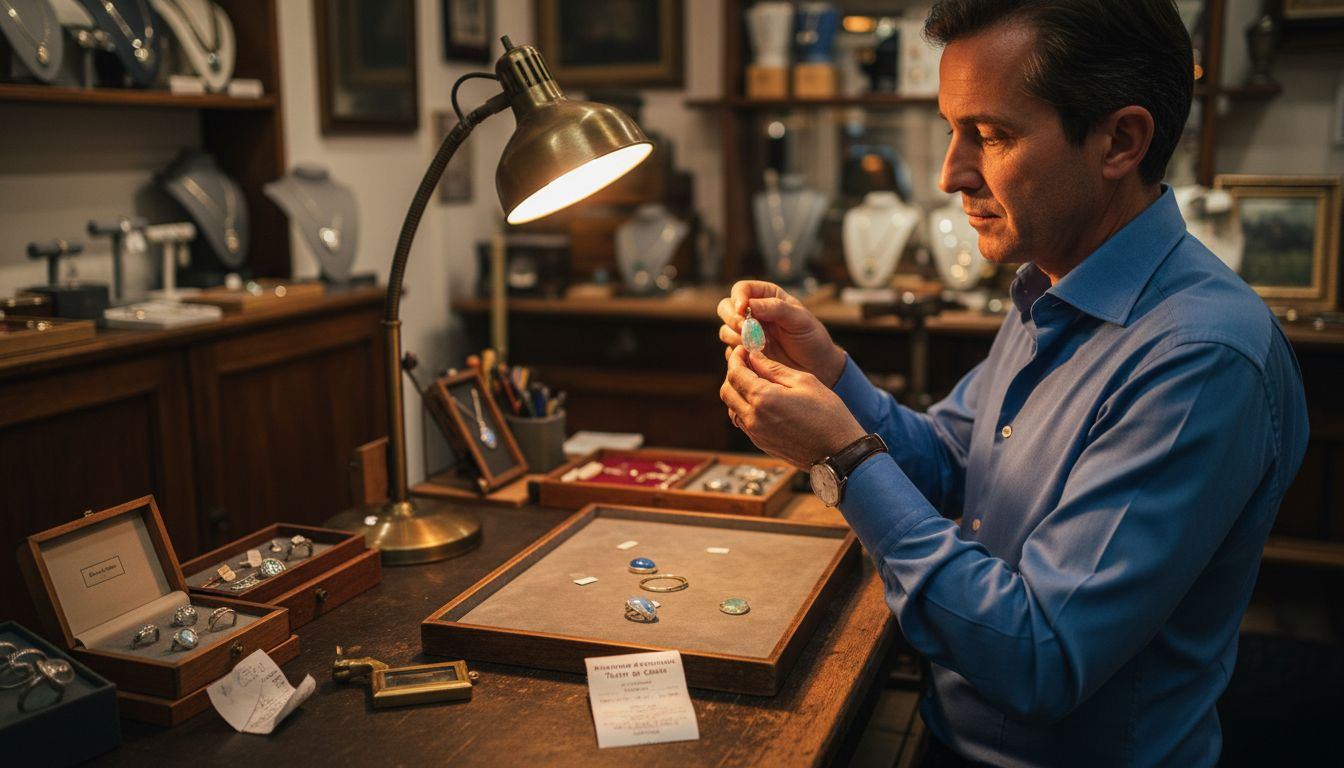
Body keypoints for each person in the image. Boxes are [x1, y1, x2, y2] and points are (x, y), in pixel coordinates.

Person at [717, 1, 1309, 766]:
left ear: (1121, 141)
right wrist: (831, 373)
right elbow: (955, 466)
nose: (949, 174)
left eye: (990, 136)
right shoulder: (1051, 281)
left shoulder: (1200, 359)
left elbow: (1042, 657)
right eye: (952, 130)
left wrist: (844, 459)